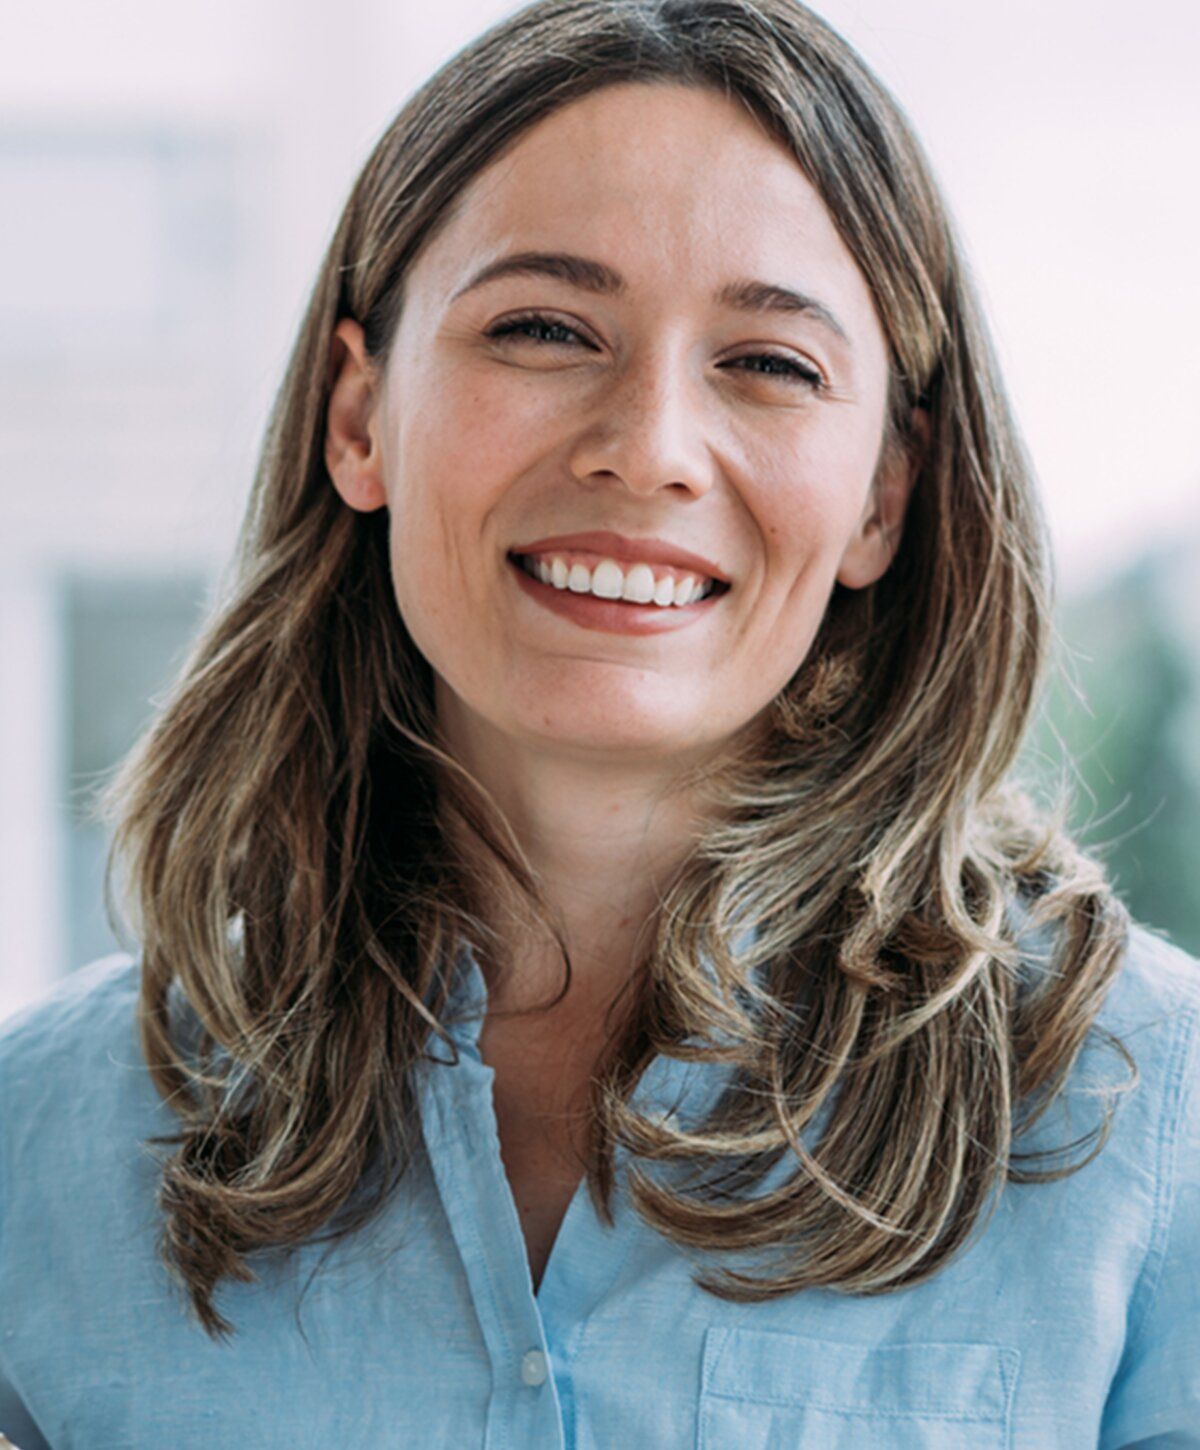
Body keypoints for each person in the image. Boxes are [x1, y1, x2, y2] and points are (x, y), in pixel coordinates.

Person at [1, 0, 1197, 1444]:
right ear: (359, 416)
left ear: (886, 492)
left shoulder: (1155, 1122)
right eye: (544, 328)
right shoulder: (41, 1146)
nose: (647, 446)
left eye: (769, 363)